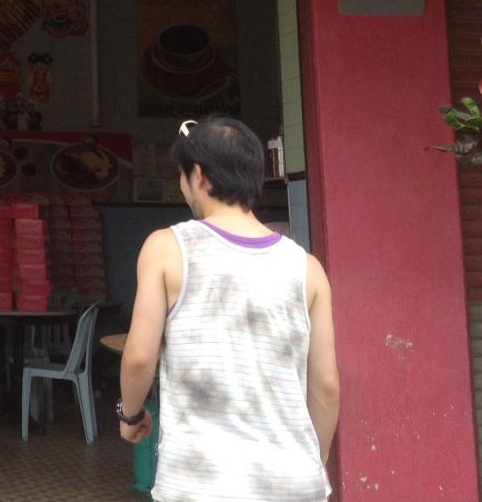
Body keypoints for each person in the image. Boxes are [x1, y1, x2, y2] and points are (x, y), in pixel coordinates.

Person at [118, 117, 340, 502]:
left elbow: (139, 357)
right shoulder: (308, 268)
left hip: (201, 483)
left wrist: (130, 415)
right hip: (293, 481)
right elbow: (326, 386)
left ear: (198, 176)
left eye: (182, 175)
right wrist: (311, 464)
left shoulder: (167, 248)